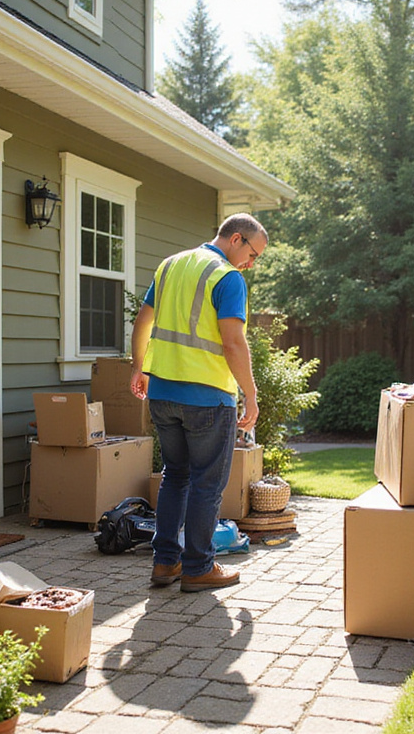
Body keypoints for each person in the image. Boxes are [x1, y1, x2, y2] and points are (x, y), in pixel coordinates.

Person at [130, 214, 266, 593]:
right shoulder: (226, 277)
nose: (250, 264)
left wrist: (139, 367)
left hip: (163, 393)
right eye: (252, 254)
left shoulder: (170, 265)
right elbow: (233, 343)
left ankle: (165, 562)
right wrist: (250, 393)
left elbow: (142, 321)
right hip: (207, 398)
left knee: (176, 475)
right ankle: (198, 568)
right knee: (207, 484)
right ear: (236, 239)